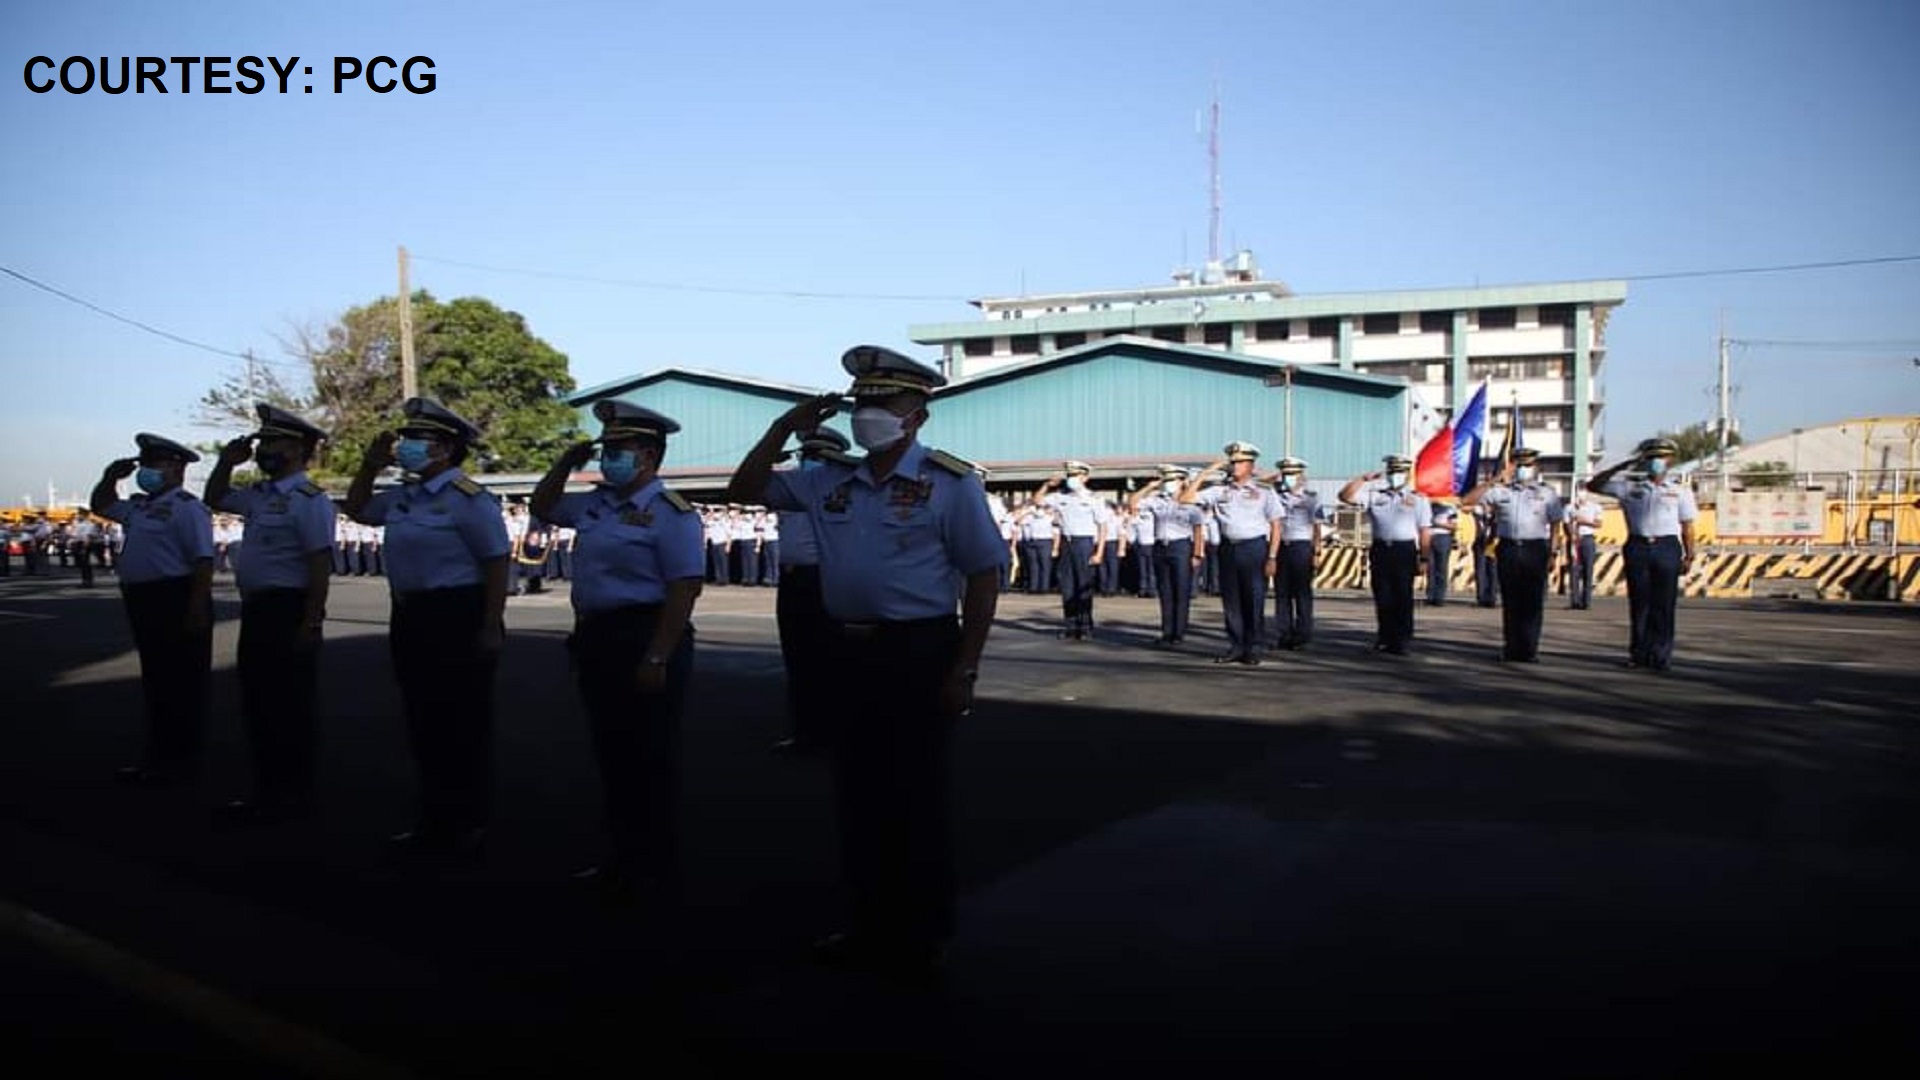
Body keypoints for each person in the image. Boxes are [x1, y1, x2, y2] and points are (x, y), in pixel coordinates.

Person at [727, 344, 1005, 984]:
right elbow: (745, 488)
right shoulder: (828, 479)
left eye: (887, 400)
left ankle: (924, 933)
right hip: (844, 651)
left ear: (919, 415)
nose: (872, 412)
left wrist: (964, 668)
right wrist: (782, 429)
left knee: (915, 796)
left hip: (917, 651)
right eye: (865, 401)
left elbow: (983, 575)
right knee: (857, 796)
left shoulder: (948, 483)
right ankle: (869, 924)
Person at [532, 400, 705, 902]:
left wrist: (657, 656)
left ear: (648, 455)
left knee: (648, 755)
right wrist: (566, 462)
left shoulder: (670, 512)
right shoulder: (596, 504)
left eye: (618, 448)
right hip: (597, 636)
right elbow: (543, 506)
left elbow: (684, 587)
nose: (608, 457)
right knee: (612, 752)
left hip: (645, 635)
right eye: (606, 447)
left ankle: (654, 865)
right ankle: (621, 856)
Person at [343, 397, 510, 858]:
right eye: (407, 438)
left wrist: (491, 624)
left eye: (417, 439)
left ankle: (469, 821)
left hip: (457, 614)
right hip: (411, 615)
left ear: (445, 448)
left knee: (463, 723)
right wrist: (369, 466)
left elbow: (497, 562)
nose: (406, 446)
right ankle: (433, 819)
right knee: (422, 721)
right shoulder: (404, 496)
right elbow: (357, 508)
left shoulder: (468, 499)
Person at [204, 404, 337, 823]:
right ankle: (267, 787)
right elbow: (215, 497)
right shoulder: (260, 495)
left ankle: (295, 791)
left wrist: (312, 619)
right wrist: (226, 463)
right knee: (258, 701)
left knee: (290, 705)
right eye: (262, 442)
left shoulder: (308, 500)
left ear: (297, 449)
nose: (264, 449)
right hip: (258, 609)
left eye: (273, 442)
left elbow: (319, 562)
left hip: (289, 608)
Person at [90, 433, 215, 786]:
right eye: (144, 464)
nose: (146, 470)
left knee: (182, 684)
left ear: (176, 467)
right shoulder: (140, 505)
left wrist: (195, 607)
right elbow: (102, 505)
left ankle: (182, 760)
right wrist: (110, 476)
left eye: (154, 464)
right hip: (145, 600)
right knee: (158, 681)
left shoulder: (188, 507)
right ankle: (159, 755)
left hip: (175, 598)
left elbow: (203, 560)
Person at [766, 426, 860, 755]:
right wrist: (771, 456)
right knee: (797, 658)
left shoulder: (839, 490)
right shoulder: (792, 488)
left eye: (816, 457)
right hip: (792, 581)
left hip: (824, 578)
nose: (808, 462)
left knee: (831, 660)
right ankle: (804, 731)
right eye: (805, 455)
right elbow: (750, 484)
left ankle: (836, 731)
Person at [1588, 437, 1698, 672]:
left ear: (1670, 461)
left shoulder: (1680, 491)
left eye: (1661, 458)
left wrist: (1690, 555)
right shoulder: (1629, 487)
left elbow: (1688, 525)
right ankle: (1639, 654)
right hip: (1638, 546)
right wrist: (1622, 466)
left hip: (1667, 547)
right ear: (1645, 461)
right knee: (1640, 604)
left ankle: (1660, 656)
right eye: (1651, 458)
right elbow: (1593, 485)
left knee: (1664, 604)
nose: (1656, 462)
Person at [1181, 442, 1283, 665]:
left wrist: (1273, 556)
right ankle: (1235, 646)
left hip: (1254, 548)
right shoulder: (1220, 490)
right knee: (1232, 601)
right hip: (1228, 548)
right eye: (1232, 462)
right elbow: (1186, 498)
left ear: (1251, 465)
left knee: (1254, 599)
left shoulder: (1264, 492)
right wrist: (1207, 472)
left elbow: (1276, 525)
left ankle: (1253, 648)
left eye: (1239, 462)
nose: (1234, 466)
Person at [1463, 447, 1564, 663]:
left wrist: (1553, 553)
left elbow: (1556, 525)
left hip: (1535, 548)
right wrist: (1494, 480)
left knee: (1532, 602)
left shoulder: (1547, 493)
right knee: (1511, 601)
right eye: (1519, 465)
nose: (1523, 469)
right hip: (1508, 548)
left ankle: (1529, 650)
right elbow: (1467, 501)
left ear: (1535, 467)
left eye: (1527, 465)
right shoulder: (1502, 491)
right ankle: (1512, 648)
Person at [1340, 454, 1432, 656]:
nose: (1395, 475)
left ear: (1407, 474)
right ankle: (1384, 637)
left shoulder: (1418, 499)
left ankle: (1402, 640)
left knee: (1403, 596)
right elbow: (1345, 497)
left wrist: (1424, 558)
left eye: (1399, 472)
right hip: (1381, 549)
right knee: (1383, 595)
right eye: (1392, 471)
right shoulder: (1376, 495)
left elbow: (1425, 531)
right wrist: (1362, 480)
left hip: (1404, 550)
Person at [1033, 461, 1110, 641]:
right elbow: (1037, 500)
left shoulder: (1093, 498)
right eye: (1070, 476)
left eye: (1075, 476)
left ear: (1085, 477)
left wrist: (1099, 552)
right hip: (1066, 544)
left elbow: (1102, 526)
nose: (1072, 479)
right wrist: (1045, 485)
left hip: (1084, 543)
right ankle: (1070, 626)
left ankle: (1085, 627)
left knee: (1083, 586)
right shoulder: (1061, 496)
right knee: (1068, 587)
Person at [1127, 465, 1203, 645]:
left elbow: (1198, 529)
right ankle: (1167, 632)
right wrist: (1151, 486)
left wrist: (1197, 554)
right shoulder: (1156, 500)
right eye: (1166, 480)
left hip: (1182, 546)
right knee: (1165, 592)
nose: (1168, 484)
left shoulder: (1189, 502)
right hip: (1161, 547)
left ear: (1181, 482)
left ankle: (1179, 633)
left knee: (1181, 591)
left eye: (1171, 481)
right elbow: (1133, 502)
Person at [1269, 456, 1323, 650]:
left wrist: (1317, 552)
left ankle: (1302, 636)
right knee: (1282, 593)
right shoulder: (1275, 495)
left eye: (1292, 474)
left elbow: (1317, 527)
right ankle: (1284, 634)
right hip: (1281, 546)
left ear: (1301, 476)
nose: (1288, 478)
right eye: (1285, 474)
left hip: (1301, 547)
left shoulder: (1311, 498)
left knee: (1302, 594)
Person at [1564, 481, 1603, 609]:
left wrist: (1584, 521)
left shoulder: (1595, 507)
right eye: (1578, 490)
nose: (1581, 492)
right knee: (1574, 570)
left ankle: (1586, 601)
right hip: (1574, 540)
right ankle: (1575, 601)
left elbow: (1598, 524)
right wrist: (1572, 534)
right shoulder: (1569, 507)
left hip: (1588, 539)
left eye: (1583, 489)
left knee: (1588, 570)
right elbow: (1566, 523)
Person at [1426, 502, 1459, 607]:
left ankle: (1439, 597)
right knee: (1430, 568)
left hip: (1443, 536)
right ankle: (1430, 595)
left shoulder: (1450, 508)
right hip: (1429, 536)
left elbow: (1454, 525)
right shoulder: (1427, 506)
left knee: (1441, 568)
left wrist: (1437, 523)